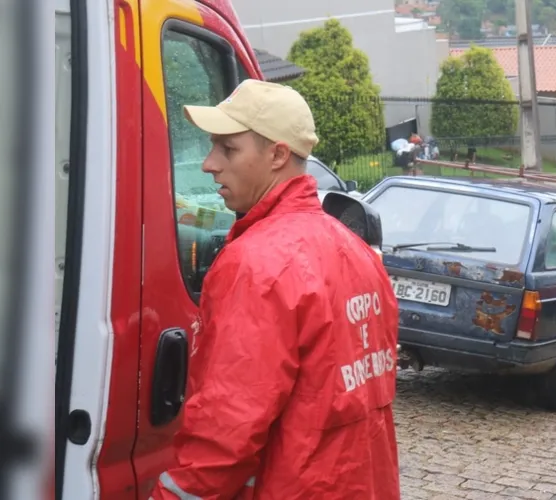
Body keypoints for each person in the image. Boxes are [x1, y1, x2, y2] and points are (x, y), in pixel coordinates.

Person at [149, 79, 400, 500]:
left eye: (228, 149)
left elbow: (227, 426)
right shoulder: (355, 251)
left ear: (277, 155)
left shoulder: (256, 264)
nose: (209, 164)